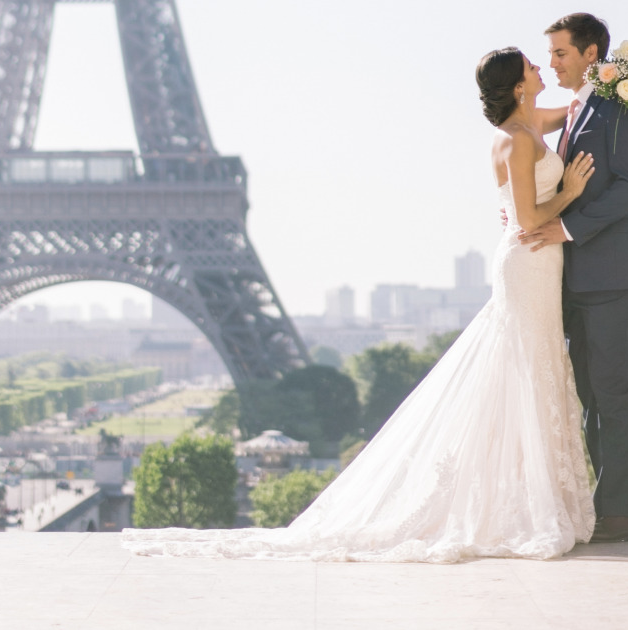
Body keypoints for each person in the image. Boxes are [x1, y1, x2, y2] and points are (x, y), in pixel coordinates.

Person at [124, 43, 597, 562]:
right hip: (527, 260)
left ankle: (523, 501)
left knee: (527, 374)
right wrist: (571, 190)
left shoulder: (529, 128)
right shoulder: (515, 141)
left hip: (534, 265)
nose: (540, 68)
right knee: (524, 374)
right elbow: (531, 220)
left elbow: (572, 111)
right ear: (517, 86)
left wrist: (609, 78)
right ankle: (521, 505)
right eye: (533, 65)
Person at [517, 12, 628, 543]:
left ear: (590, 54)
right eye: (550, 55)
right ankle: (604, 510)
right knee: (592, 396)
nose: (553, 63)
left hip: (613, 273)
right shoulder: (579, 109)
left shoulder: (623, 103)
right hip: (580, 278)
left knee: (613, 392)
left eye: (560, 54)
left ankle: (623, 514)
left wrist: (566, 228)